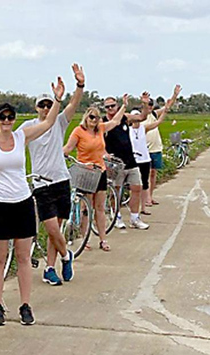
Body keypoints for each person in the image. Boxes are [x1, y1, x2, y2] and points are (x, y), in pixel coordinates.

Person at [0, 80, 65, 326]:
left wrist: (57, 100)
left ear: (14, 119)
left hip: (23, 202)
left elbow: (47, 123)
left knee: (23, 257)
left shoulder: (21, 136)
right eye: (2, 117)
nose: (6, 121)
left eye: (10, 117)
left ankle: (25, 305)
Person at [17, 63, 86, 286]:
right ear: (36, 107)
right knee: (51, 228)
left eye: (49, 104)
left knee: (57, 226)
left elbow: (74, 105)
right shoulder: (28, 127)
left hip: (61, 179)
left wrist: (79, 85)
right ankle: (67, 256)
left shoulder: (59, 122)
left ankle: (49, 268)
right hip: (41, 183)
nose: (46, 108)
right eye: (42, 105)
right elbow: (10, 141)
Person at [62, 97, 128, 252]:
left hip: (100, 171)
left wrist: (124, 106)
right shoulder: (79, 131)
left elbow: (115, 122)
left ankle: (103, 239)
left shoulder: (100, 129)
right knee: (86, 207)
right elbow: (68, 148)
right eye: (91, 117)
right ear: (86, 117)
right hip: (86, 172)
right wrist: (58, 155)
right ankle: (85, 239)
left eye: (97, 117)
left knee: (99, 207)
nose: (94, 120)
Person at [101, 95, 152, 230]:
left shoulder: (125, 117)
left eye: (112, 105)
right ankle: (116, 216)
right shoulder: (103, 122)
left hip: (130, 160)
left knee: (137, 188)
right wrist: (104, 154)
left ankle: (135, 218)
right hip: (115, 163)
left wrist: (145, 105)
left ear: (117, 106)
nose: (110, 108)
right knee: (115, 191)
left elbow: (142, 117)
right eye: (107, 107)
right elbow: (97, 140)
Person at [128, 101, 168, 227]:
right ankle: (133, 208)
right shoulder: (127, 130)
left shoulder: (143, 128)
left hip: (144, 159)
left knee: (144, 184)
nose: (136, 121)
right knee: (134, 186)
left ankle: (143, 207)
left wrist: (164, 113)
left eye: (137, 118)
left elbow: (157, 123)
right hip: (133, 160)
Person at [144, 85, 181, 206]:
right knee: (147, 173)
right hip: (145, 149)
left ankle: (151, 195)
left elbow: (167, 107)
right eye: (147, 105)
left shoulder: (154, 114)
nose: (149, 107)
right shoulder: (139, 117)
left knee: (154, 173)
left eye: (151, 105)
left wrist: (174, 95)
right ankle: (146, 198)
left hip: (156, 148)